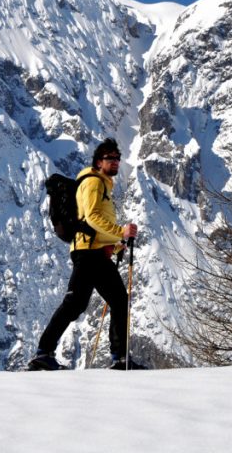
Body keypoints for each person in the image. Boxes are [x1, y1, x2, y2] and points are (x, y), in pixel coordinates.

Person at [29, 138, 147, 370]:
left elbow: (93, 226)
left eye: (117, 158)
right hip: (88, 254)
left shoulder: (102, 184)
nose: (115, 162)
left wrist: (114, 245)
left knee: (94, 302)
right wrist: (120, 232)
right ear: (98, 161)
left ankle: (116, 357)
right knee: (83, 302)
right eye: (110, 158)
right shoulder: (94, 182)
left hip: (94, 253)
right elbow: (92, 217)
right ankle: (46, 352)